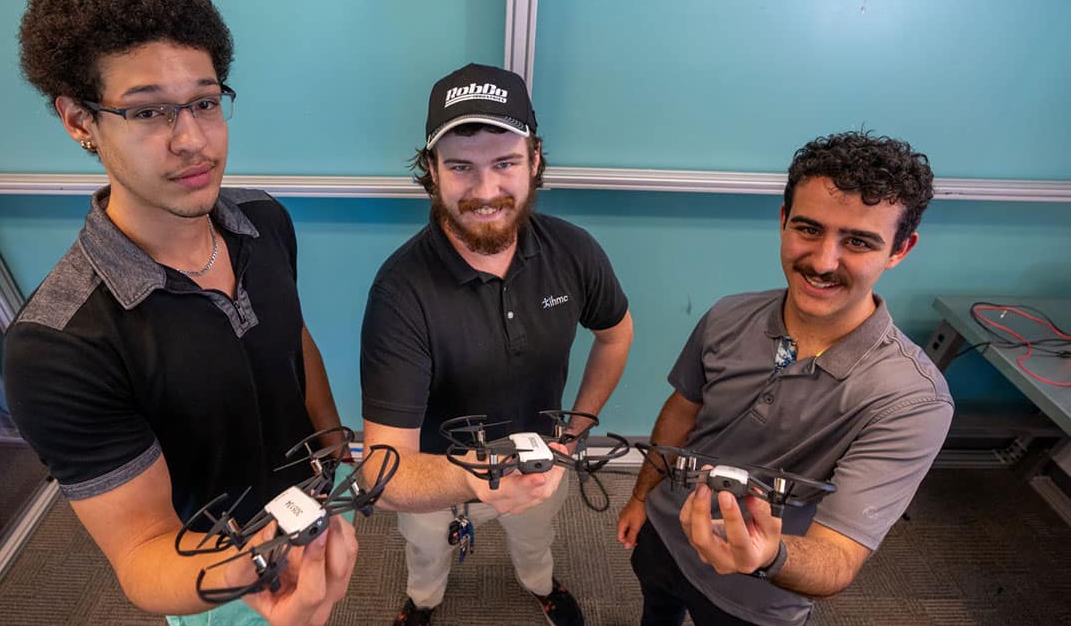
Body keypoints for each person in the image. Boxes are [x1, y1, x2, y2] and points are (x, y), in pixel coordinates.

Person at [4, 0, 356, 625]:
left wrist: (332, 441)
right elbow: (141, 552)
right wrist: (252, 567)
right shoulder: (57, 345)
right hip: (217, 579)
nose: (193, 140)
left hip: (313, 506)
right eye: (147, 112)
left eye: (203, 102)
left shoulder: (265, 222)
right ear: (79, 120)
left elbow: (291, 338)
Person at [617, 131, 954, 626]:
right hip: (665, 535)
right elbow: (681, 412)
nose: (822, 262)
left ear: (901, 249)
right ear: (782, 221)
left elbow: (838, 556)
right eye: (808, 229)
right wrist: (642, 496)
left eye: (858, 241)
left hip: (756, 599)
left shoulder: (911, 400)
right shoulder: (727, 316)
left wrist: (767, 558)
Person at [360, 63, 634, 626]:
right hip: (437, 473)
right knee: (425, 552)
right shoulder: (400, 291)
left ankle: (540, 585)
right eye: (461, 167)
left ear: (534, 160)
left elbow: (616, 333)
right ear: (431, 171)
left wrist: (572, 433)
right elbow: (382, 476)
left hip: (541, 465)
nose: (486, 192)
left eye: (505, 163)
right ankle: (424, 603)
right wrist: (470, 478)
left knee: (536, 544)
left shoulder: (575, 252)